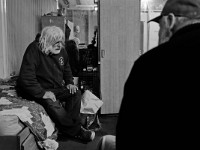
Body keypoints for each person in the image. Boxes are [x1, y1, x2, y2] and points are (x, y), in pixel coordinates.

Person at [116, 0, 200, 149]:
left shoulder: (150, 65)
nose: (159, 34)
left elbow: (128, 135)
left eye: (160, 26)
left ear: (170, 21)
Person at [16, 26, 95, 143]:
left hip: (55, 87)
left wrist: (69, 83)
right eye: (56, 42)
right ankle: (77, 131)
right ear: (46, 41)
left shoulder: (61, 50)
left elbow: (67, 68)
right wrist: (42, 93)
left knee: (75, 93)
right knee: (52, 102)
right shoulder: (34, 49)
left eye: (60, 41)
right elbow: (26, 78)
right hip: (37, 89)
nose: (59, 45)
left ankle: (68, 128)